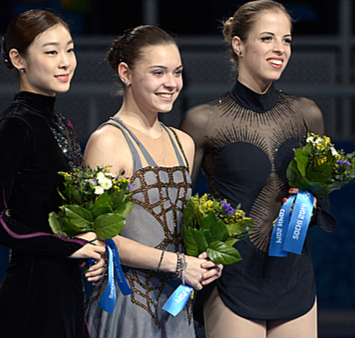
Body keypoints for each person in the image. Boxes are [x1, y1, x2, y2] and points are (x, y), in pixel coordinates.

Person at [179, 1, 337, 337]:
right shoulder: (203, 121)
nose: (280, 49)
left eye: (287, 40)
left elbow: (321, 203)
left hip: (293, 279)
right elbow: (180, 207)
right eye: (267, 38)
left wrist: (305, 206)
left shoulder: (307, 114)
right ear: (238, 44)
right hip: (232, 281)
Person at [84, 25, 223, 338]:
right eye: (158, 72)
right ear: (126, 73)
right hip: (125, 305)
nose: (171, 83)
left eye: (177, 72)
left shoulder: (185, 143)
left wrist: (206, 256)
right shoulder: (107, 141)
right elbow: (100, 236)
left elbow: (176, 226)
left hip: (176, 306)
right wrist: (177, 263)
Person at [0, 9, 106, 338]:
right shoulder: (16, 124)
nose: (65, 61)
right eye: (51, 52)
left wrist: (92, 246)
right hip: (32, 298)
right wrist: (66, 246)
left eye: (70, 49)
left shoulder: (61, 124)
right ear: (18, 58)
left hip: (65, 292)